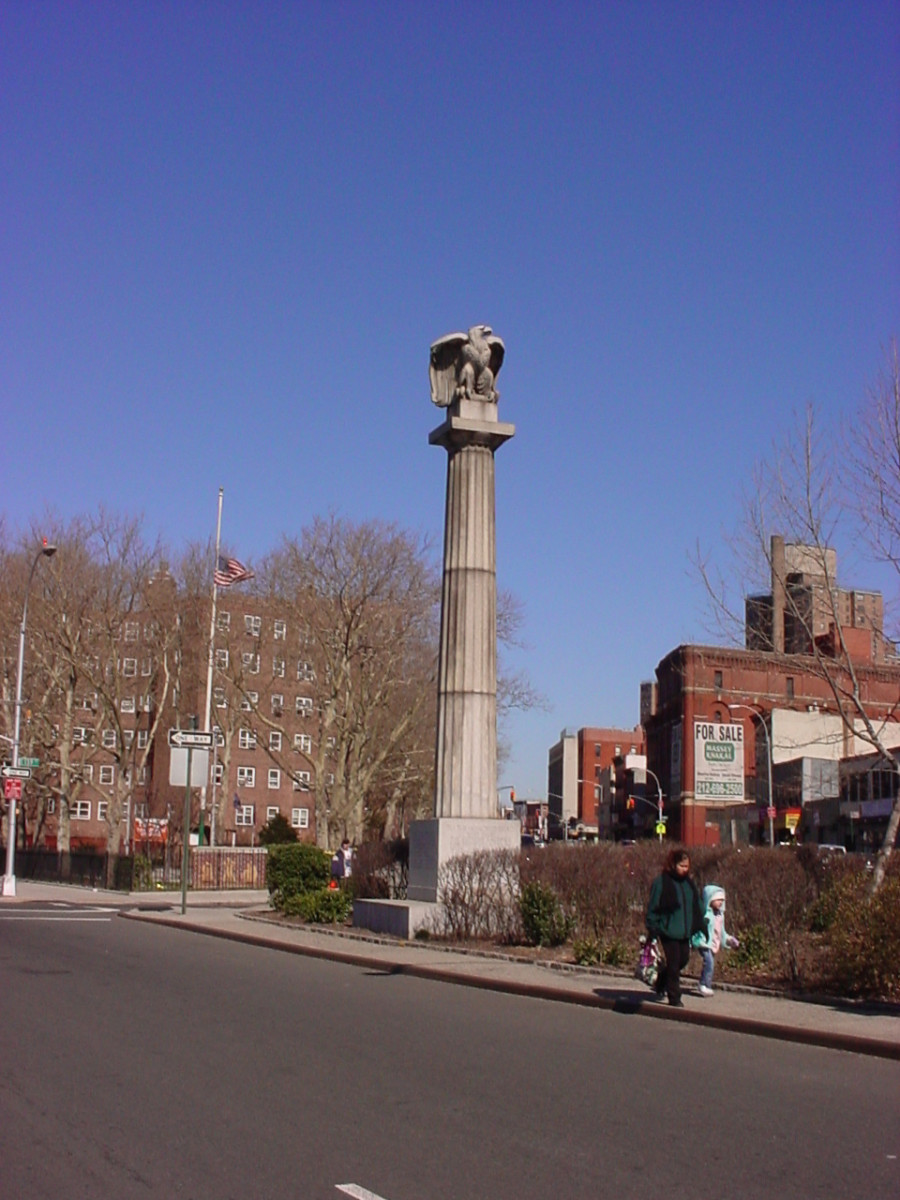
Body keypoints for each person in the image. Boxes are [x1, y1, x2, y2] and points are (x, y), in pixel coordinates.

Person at [645, 847, 705, 1007]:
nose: (685, 870)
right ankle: (674, 997)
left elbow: (696, 904)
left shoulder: (688, 883)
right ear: (673, 865)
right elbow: (654, 905)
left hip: (684, 931)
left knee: (683, 960)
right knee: (673, 963)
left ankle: (662, 979)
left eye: (687, 866)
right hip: (668, 930)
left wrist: (702, 920)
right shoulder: (662, 882)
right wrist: (652, 927)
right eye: (682, 866)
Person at [692, 883, 740, 996]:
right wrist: (697, 940)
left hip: (714, 944)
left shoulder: (720, 916)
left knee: (710, 964)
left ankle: (706, 984)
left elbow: (721, 932)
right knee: (709, 963)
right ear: (710, 899)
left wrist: (729, 940)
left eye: (722, 900)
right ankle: (704, 985)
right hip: (704, 943)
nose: (720, 902)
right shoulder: (705, 914)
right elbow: (697, 927)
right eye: (718, 899)